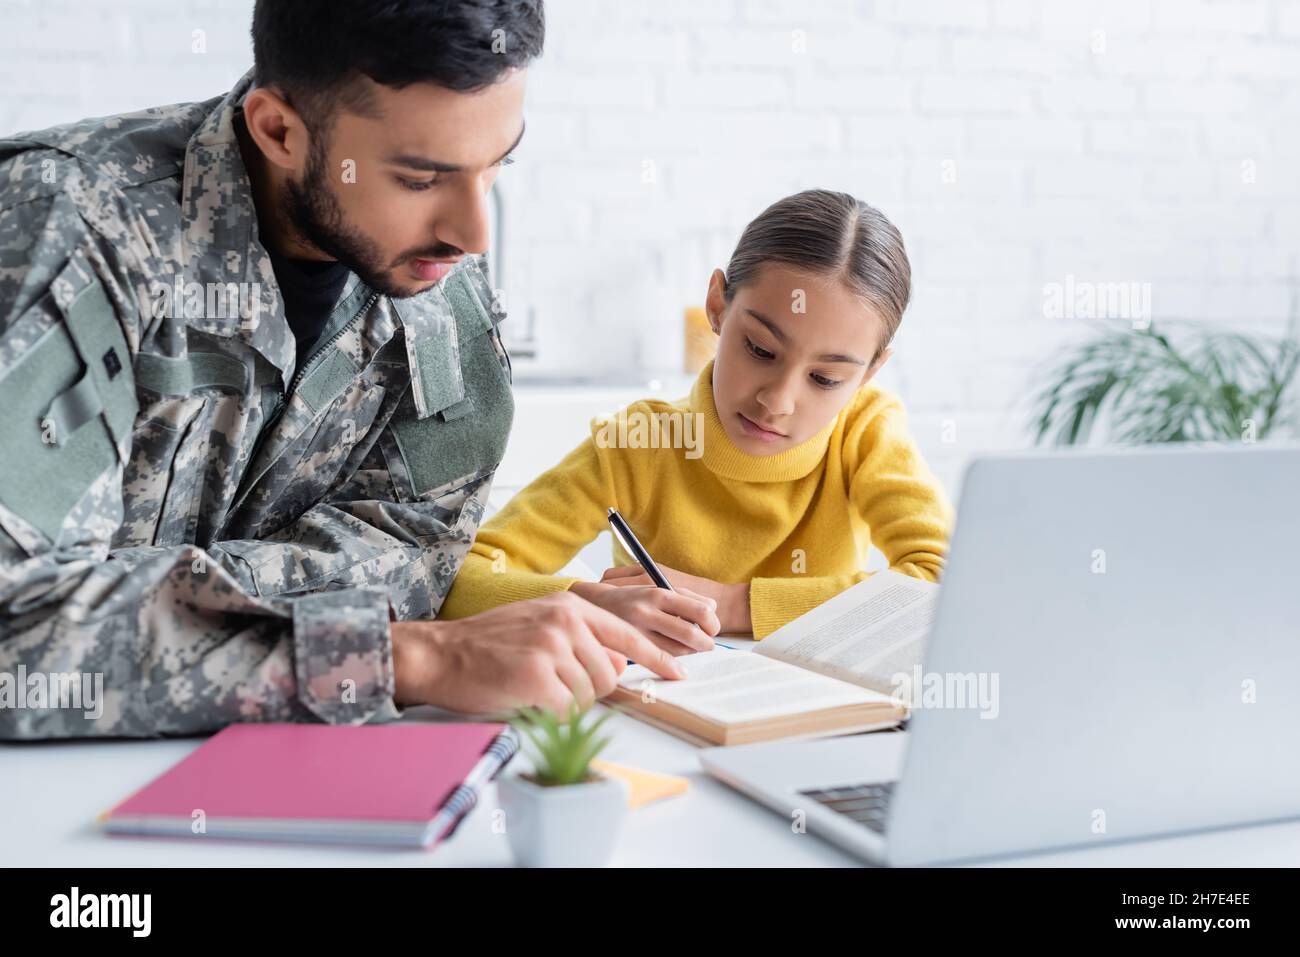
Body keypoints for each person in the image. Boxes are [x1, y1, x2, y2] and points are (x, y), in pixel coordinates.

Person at [0, 0, 693, 740]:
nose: (474, 233)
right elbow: (16, 636)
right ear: (280, 131)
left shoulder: (439, 290)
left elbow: (415, 556)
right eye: (421, 178)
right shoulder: (71, 227)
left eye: (497, 166)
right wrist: (402, 656)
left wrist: (138, 612)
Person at [440, 189, 953, 648]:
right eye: (759, 348)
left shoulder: (866, 429)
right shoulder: (637, 444)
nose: (777, 402)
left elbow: (943, 585)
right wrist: (589, 603)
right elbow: (459, 582)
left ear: (870, 372)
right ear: (716, 306)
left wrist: (732, 605)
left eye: (825, 379)